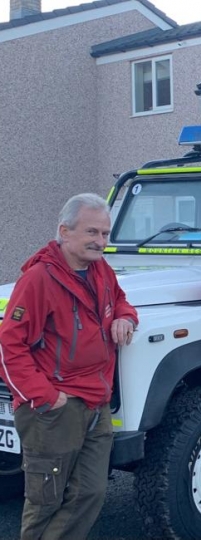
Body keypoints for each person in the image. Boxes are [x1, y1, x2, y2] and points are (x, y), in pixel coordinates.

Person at [0, 193, 138, 540]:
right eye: (92, 232)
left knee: (90, 493)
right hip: (54, 409)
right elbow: (8, 345)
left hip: (96, 403)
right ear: (65, 231)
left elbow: (121, 301)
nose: (101, 241)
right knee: (45, 501)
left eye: (106, 234)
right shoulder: (39, 280)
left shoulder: (101, 271)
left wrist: (125, 317)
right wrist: (44, 396)